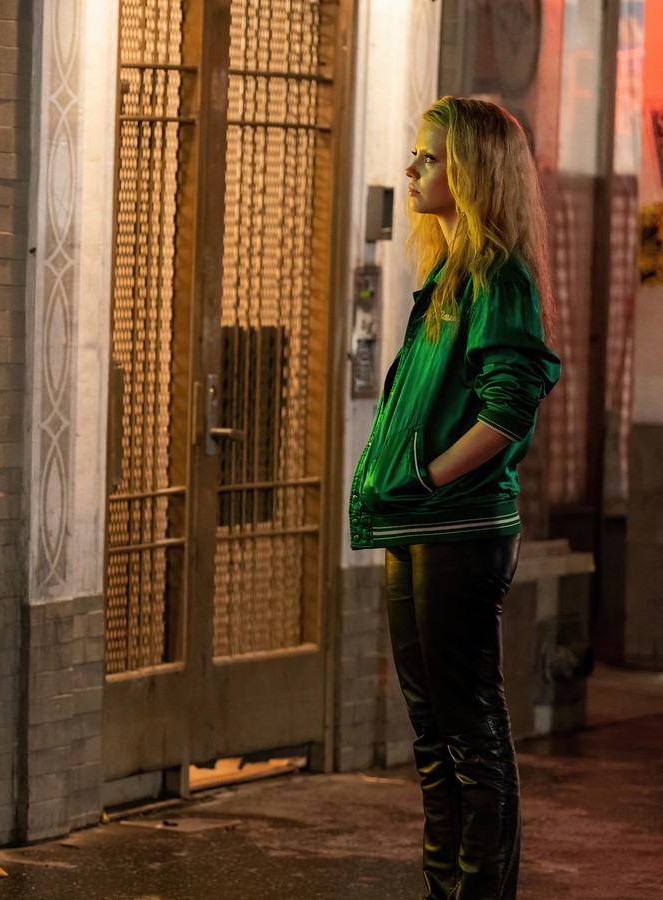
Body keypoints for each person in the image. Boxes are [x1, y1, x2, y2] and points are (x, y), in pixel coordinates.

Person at [350, 96, 560, 900]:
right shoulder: (449, 271)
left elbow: (509, 406)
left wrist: (427, 474)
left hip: (460, 529)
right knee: (432, 734)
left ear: (470, 172)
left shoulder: (501, 277)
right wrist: (406, 486)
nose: (411, 170)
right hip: (418, 523)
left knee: (470, 733)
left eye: (428, 158)